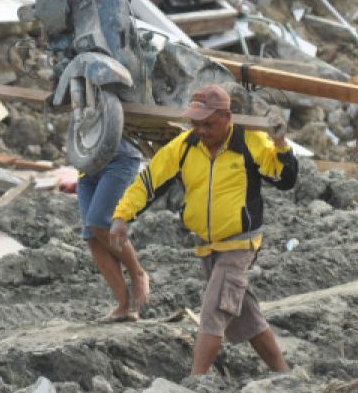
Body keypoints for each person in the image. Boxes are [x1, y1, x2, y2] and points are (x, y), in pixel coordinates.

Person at [110, 84, 297, 375]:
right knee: (245, 315)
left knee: (214, 310)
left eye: (209, 124)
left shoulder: (249, 141)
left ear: (226, 117)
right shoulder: (184, 146)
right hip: (208, 245)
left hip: (240, 244)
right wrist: (122, 216)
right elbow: (149, 181)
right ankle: (283, 372)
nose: (202, 130)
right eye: (195, 123)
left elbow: (285, 178)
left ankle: (196, 380)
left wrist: (281, 144)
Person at [79, 138, 149, 323]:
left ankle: (138, 273)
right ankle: (124, 305)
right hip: (86, 164)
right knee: (92, 237)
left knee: (99, 224)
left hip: (120, 158)